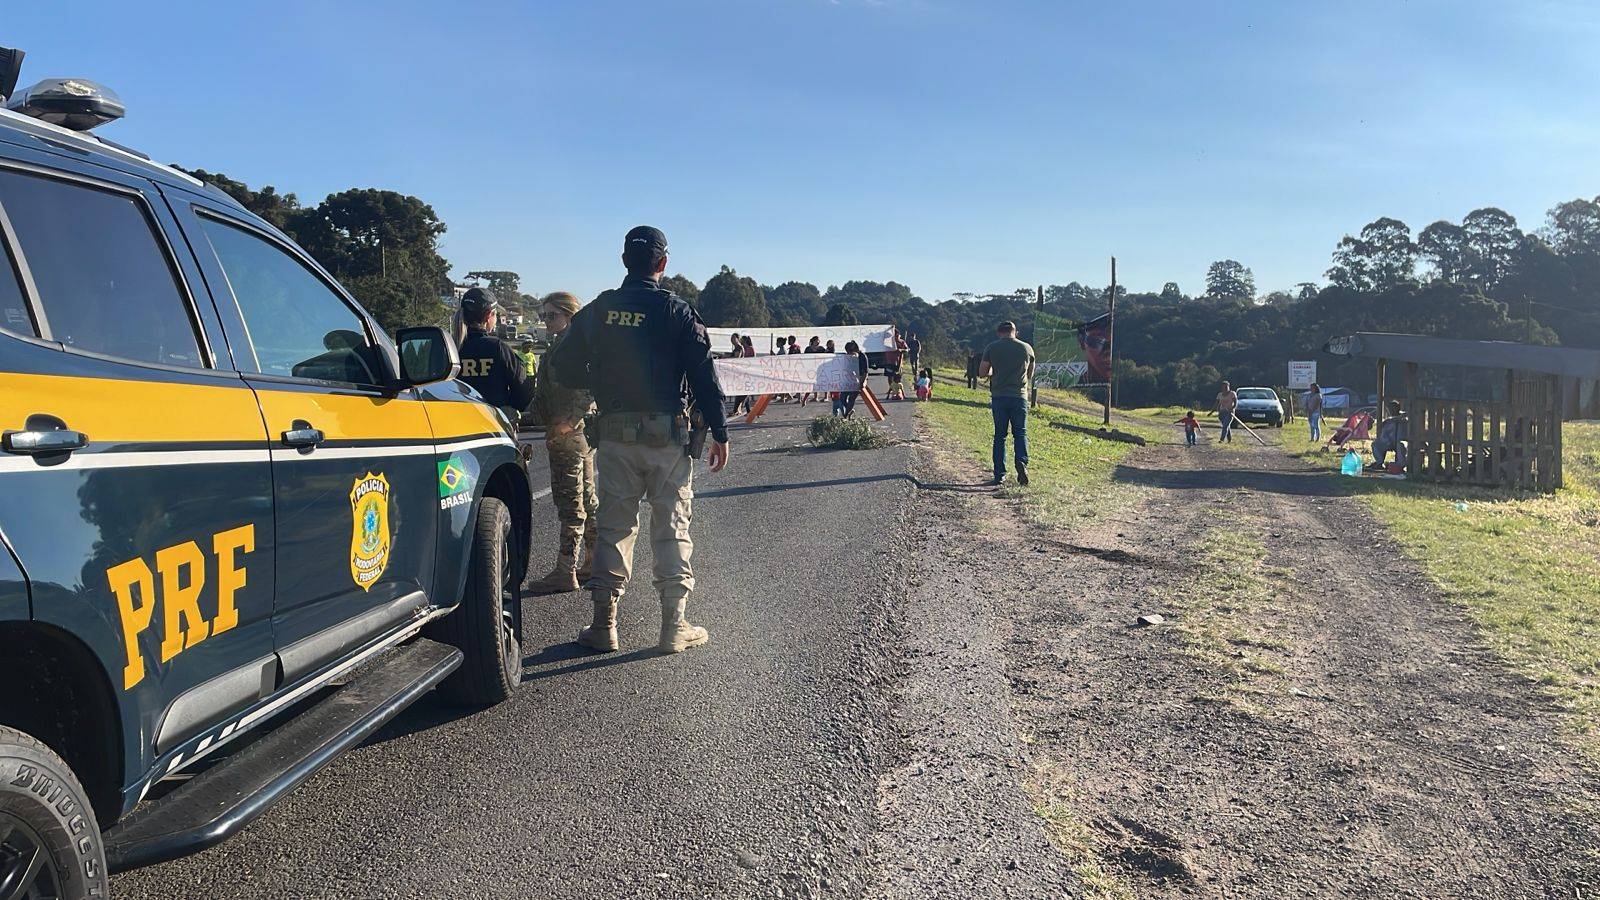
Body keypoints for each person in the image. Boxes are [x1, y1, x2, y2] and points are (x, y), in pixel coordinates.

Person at [549, 225, 730, 655]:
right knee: (671, 528)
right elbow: (704, 373)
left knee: (614, 528)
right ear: (663, 265)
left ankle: (604, 625)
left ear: (623, 261)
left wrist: (600, 380)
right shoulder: (677, 311)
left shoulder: (598, 311)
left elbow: (564, 363)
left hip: (614, 437)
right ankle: (673, 627)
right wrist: (720, 432)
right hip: (667, 438)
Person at [527, 291, 598, 595]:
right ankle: (593, 562)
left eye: (552, 315)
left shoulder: (576, 347)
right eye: (543, 316)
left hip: (569, 434)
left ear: (570, 315)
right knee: (587, 500)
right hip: (570, 433)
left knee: (571, 505)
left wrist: (569, 421)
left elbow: (589, 387)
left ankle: (565, 570)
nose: (546, 321)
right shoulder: (560, 346)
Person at [456, 287, 536, 425]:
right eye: (496, 315)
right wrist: (509, 407)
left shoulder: (449, 347)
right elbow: (524, 387)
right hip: (493, 426)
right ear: (488, 316)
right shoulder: (498, 348)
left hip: (455, 424)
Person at [979, 321, 1035, 486]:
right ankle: (1022, 462)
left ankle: (999, 474)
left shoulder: (992, 347)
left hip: (999, 396)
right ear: (1015, 332)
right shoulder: (1027, 348)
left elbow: (982, 372)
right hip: (1020, 397)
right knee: (1020, 434)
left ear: (999, 332)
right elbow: (1030, 374)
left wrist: (992, 372)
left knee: (1000, 436)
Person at [1370, 400, 1409, 469]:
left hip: (1402, 442)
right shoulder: (1387, 421)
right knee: (1375, 444)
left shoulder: (1403, 418)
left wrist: (1389, 420)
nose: (1391, 410)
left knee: (1401, 445)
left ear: (1398, 408)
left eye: (1393, 408)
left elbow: (1403, 417)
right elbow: (1384, 433)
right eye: (1389, 409)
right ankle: (1380, 463)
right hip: (1389, 442)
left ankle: (1401, 466)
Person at [834, 341, 868, 417]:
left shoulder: (862, 356)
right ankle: (849, 410)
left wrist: (861, 383)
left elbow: (865, 372)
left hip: (861, 378)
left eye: (849, 351)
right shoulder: (848, 357)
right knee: (842, 398)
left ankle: (846, 415)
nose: (848, 353)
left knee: (852, 397)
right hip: (850, 379)